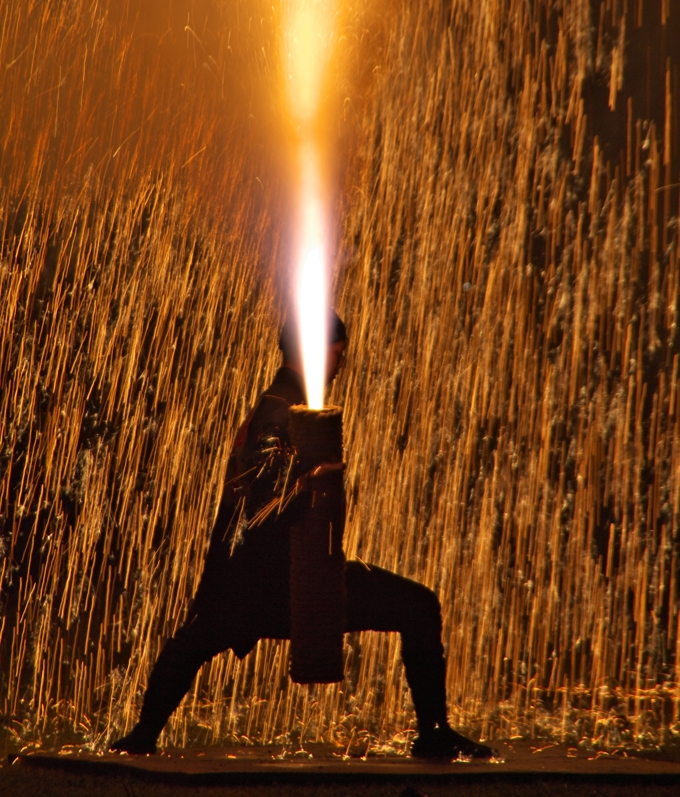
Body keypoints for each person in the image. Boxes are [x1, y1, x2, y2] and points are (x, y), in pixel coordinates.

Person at [111, 310, 492, 760]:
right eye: (339, 352)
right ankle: (434, 734)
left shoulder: (272, 401)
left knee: (196, 638)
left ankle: (141, 736)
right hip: (280, 582)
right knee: (418, 605)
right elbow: (264, 498)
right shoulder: (284, 412)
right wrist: (310, 484)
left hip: (239, 577)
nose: (342, 363)